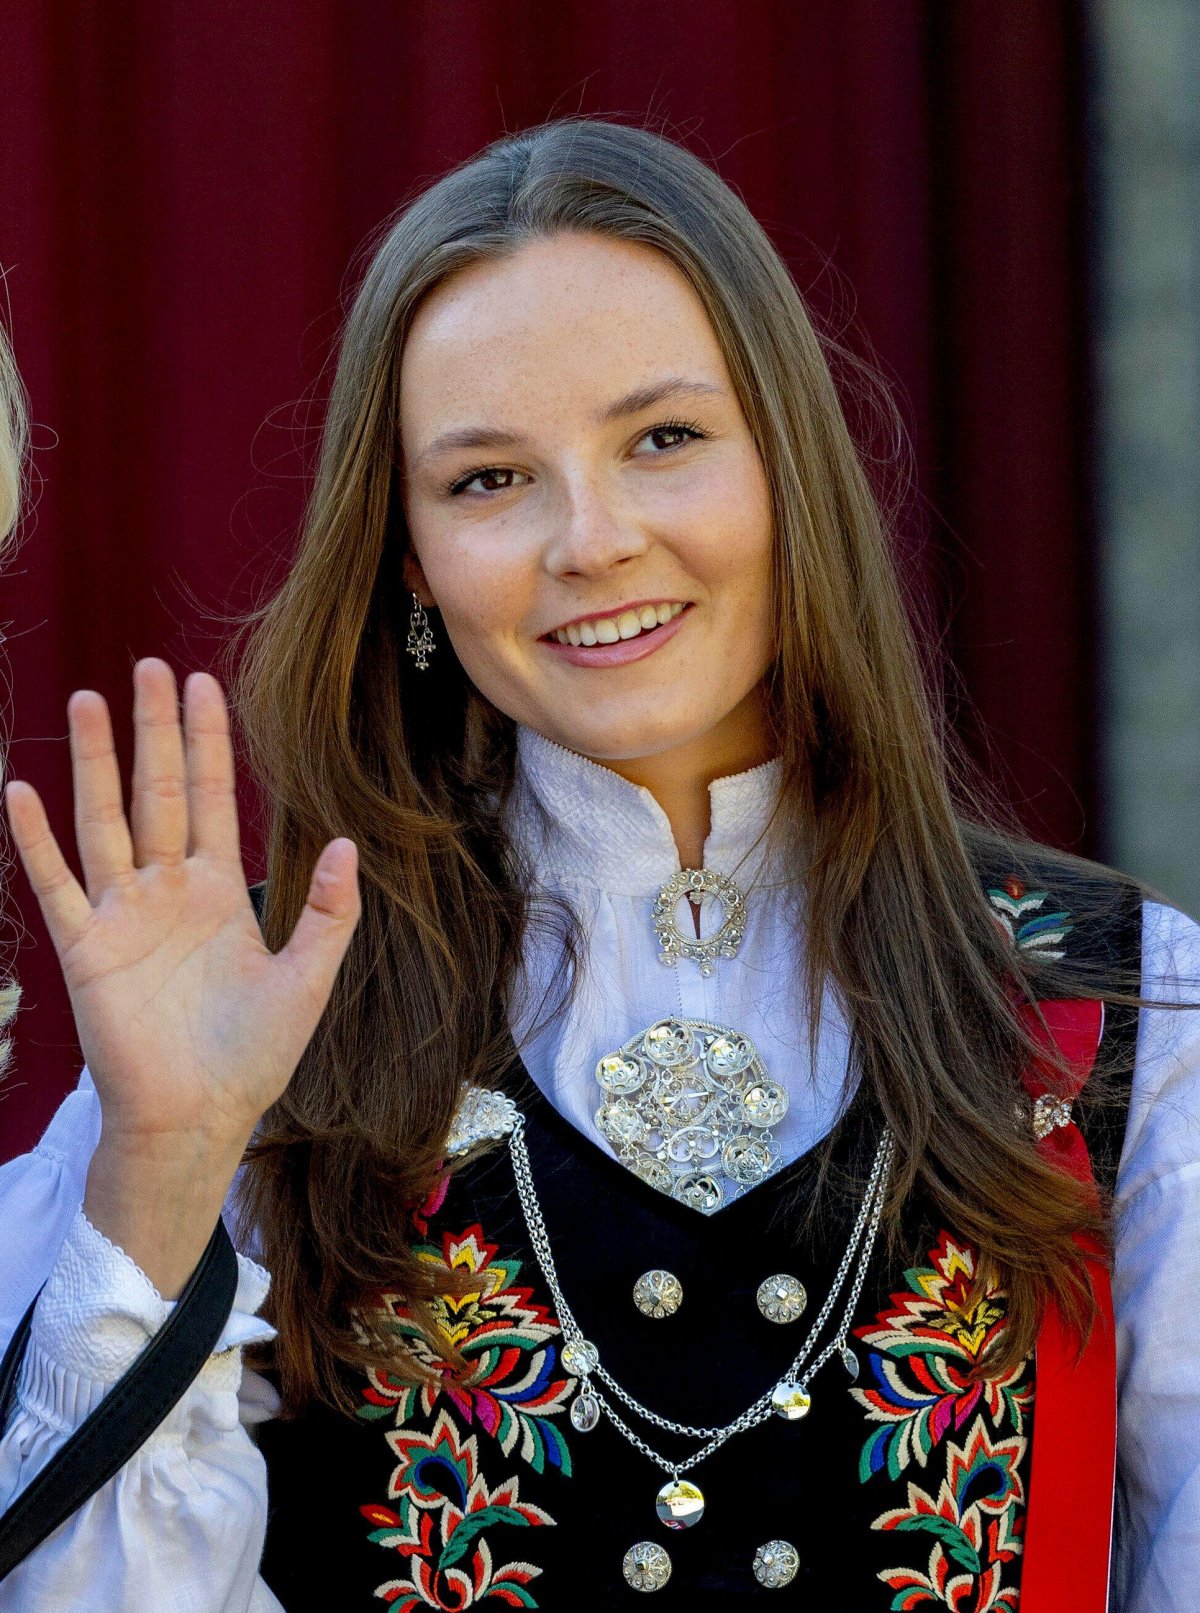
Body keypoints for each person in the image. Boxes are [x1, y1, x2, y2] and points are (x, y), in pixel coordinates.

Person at [0, 117, 1197, 1612]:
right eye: (490, 480)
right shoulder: (250, 1026)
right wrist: (162, 1165)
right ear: (412, 563)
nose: (593, 538)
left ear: (790, 472)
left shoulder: (1125, 1009)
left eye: (665, 439)